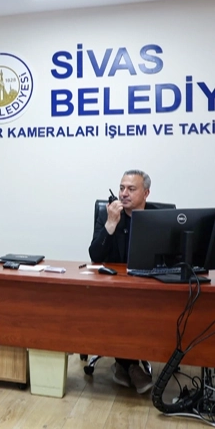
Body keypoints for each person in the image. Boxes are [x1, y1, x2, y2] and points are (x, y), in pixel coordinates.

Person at [88, 169, 154, 394]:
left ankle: (123, 366)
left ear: (146, 193)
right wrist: (110, 224)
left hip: (147, 285)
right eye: (121, 188)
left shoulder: (156, 217)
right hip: (114, 287)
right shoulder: (108, 215)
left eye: (131, 189)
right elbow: (95, 255)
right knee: (122, 306)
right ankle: (131, 367)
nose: (124, 193)